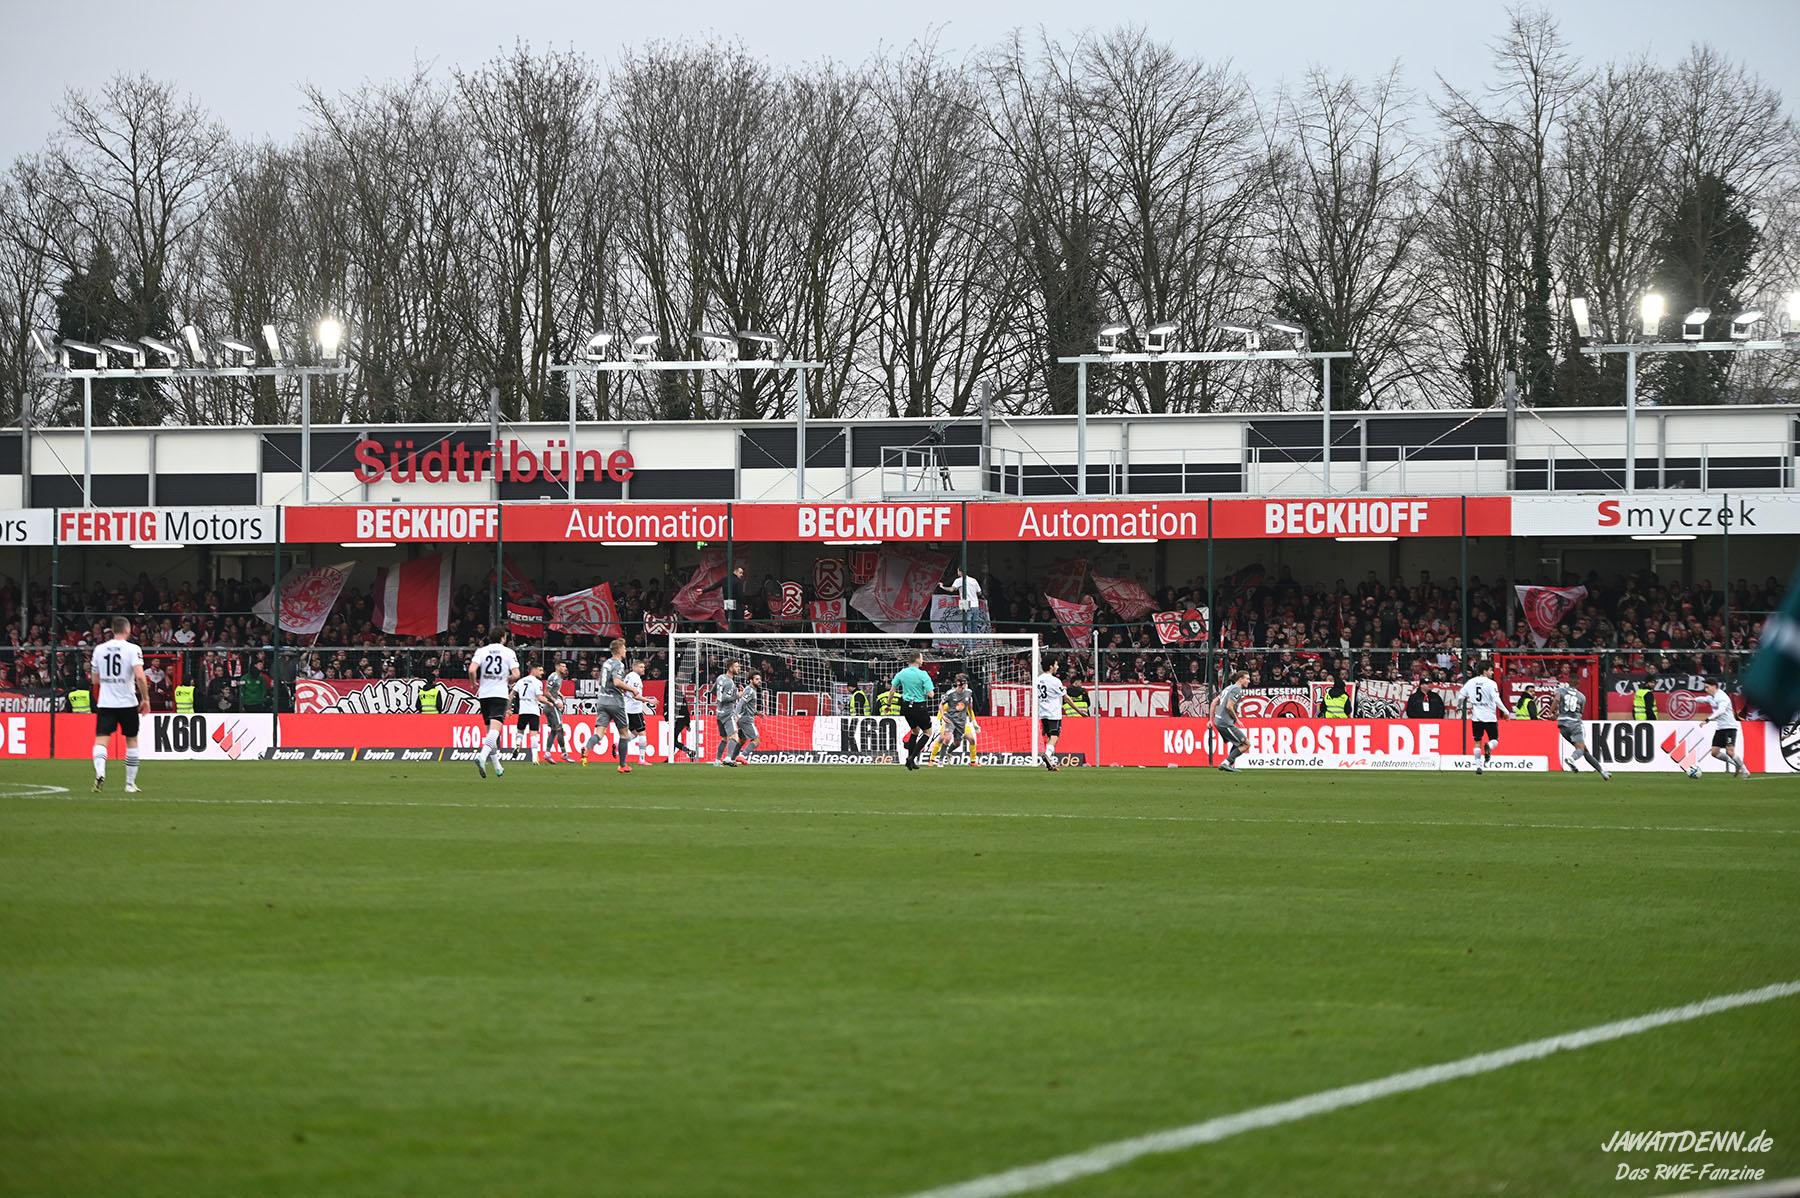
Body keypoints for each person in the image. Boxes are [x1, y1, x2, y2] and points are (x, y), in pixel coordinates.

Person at [89, 616, 149, 794]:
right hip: (127, 702)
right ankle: (130, 784)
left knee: (101, 739)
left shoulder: (99, 649)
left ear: (113, 630)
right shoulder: (133, 649)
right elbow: (139, 676)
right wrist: (145, 698)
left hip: (106, 703)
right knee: (131, 741)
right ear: (128, 630)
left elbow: (95, 679)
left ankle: (100, 772)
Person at [468, 629, 519, 779]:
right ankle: (482, 757)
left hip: (484, 695)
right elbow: (516, 674)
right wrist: (505, 678)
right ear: (503, 638)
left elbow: (472, 670)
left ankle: (497, 766)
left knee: (490, 731)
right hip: (499, 694)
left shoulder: (482, 651)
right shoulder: (508, 652)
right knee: (495, 731)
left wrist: (473, 683)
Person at [1455, 661, 1511, 775]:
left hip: (1477, 718)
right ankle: (1489, 746)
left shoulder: (1471, 682)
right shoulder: (1491, 683)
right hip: (1490, 717)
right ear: (1485, 671)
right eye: (1490, 670)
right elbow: (1496, 699)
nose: (1491, 672)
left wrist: (1459, 707)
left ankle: (1478, 766)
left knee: (1477, 742)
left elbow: (1461, 696)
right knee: (1494, 740)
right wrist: (1505, 711)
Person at [1689, 677, 1748, 780]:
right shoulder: (1712, 697)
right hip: (1720, 728)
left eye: (1707, 687)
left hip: (1730, 727)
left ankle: (1744, 769)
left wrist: (1708, 719)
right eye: (1705, 687)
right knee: (1714, 752)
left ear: (1714, 686)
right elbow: (1704, 699)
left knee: (1730, 751)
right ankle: (1735, 764)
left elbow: (1720, 711)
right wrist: (1692, 699)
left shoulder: (1722, 697)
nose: (1706, 689)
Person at [1553, 677, 1610, 780]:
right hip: (1575, 725)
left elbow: (1557, 699)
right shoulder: (1581, 696)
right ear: (1578, 685)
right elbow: (1580, 712)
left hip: (1562, 725)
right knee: (1580, 749)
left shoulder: (1561, 691)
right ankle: (1571, 758)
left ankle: (1602, 772)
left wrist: (1551, 712)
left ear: (1568, 683)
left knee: (1584, 750)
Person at [593, 638, 633, 773]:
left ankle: (587, 749)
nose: (626, 650)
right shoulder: (619, 664)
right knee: (624, 734)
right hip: (615, 702)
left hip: (602, 700)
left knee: (599, 732)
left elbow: (605, 681)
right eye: (624, 648)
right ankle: (622, 765)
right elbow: (617, 682)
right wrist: (631, 689)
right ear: (619, 650)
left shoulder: (606, 663)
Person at [893, 650, 937, 770]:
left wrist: (888, 704)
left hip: (906, 706)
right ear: (917, 659)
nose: (923, 661)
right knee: (927, 733)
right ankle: (912, 757)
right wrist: (924, 690)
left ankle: (909, 762)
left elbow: (892, 690)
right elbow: (931, 695)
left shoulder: (902, 673)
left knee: (915, 731)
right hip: (919, 706)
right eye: (922, 658)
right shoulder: (923, 674)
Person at [929, 672, 977, 767]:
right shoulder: (950, 693)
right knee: (945, 738)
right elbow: (941, 705)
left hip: (962, 721)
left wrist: (973, 720)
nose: (966, 684)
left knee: (960, 742)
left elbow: (970, 707)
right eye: (964, 682)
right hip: (950, 719)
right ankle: (938, 760)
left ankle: (950, 752)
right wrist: (942, 716)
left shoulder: (969, 692)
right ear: (959, 683)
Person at [1213, 669, 1251, 773]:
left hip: (1219, 721)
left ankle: (1229, 765)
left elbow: (1214, 702)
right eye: (1247, 679)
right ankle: (1226, 763)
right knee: (1246, 744)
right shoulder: (1237, 689)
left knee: (1238, 743)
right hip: (1225, 723)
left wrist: (1211, 719)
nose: (1249, 681)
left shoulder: (1228, 688)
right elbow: (1229, 706)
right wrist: (1237, 719)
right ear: (1240, 679)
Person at [620, 658, 654, 765]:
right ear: (634, 667)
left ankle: (618, 744)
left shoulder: (628, 676)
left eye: (644, 667)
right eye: (641, 667)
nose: (643, 669)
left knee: (634, 733)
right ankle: (642, 759)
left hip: (627, 708)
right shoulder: (635, 678)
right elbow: (635, 696)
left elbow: (623, 690)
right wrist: (649, 700)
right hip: (634, 710)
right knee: (642, 733)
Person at [1035, 658, 1066, 771]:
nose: (1057, 667)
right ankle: (1047, 755)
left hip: (1043, 713)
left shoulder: (1038, 679)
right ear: (1051, 666)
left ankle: (1050, 763)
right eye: (1056, 664)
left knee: (1049, 737)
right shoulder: (1055, 681)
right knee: (1055, 736)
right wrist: (1078, 711)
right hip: (1053, 713)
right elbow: (1065, 697)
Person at [513, 663, 546, 764]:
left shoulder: (520, 681)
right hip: (533, 712)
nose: (542, 673)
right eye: (540, 670)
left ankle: (518, 744)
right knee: (533, 735)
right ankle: (534, 758)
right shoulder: (537, 682)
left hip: (522, 711)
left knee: (520, 732)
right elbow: (540, 697)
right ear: (533, 670)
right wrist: (551, 703)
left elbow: (511, 694)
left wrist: (508, 708)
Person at [712, 659, 743, 767]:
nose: (739, 668)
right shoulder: (729, 682)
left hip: (719, 712)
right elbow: (725, 698)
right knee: (735, 737)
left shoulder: (720, 677)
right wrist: (737, 695)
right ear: (730, 668)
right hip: (727, 713)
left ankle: (717, 761)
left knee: (724, 739)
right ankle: (728, 758)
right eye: (736, 666)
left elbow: (713, 690)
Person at [540, 660, 571, 763]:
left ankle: (547, 753)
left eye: (565, 666)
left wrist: (560, 694)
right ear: (557, 667)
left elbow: (554, 689)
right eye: (562, 666)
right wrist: (556, 701)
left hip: (549, 706)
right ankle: (564, 754)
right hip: (551, 706)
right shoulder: (554, 677)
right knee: (559, 728)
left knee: (554, 730)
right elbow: (546, 692)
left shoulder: (559, 677)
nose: (564, 668)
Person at [732, 669, 761, 764]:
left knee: (742, 740)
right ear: (751, 680)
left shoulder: (751, 690)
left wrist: (757, 712)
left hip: (743, 718)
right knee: (756, 740)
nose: (759, 681)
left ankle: (731, 758)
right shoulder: (750, 690)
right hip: (746, 719)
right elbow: (741, 703)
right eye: (756, 679)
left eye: (759, 679)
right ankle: (742, 756)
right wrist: (735, 714)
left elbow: (747, 706)